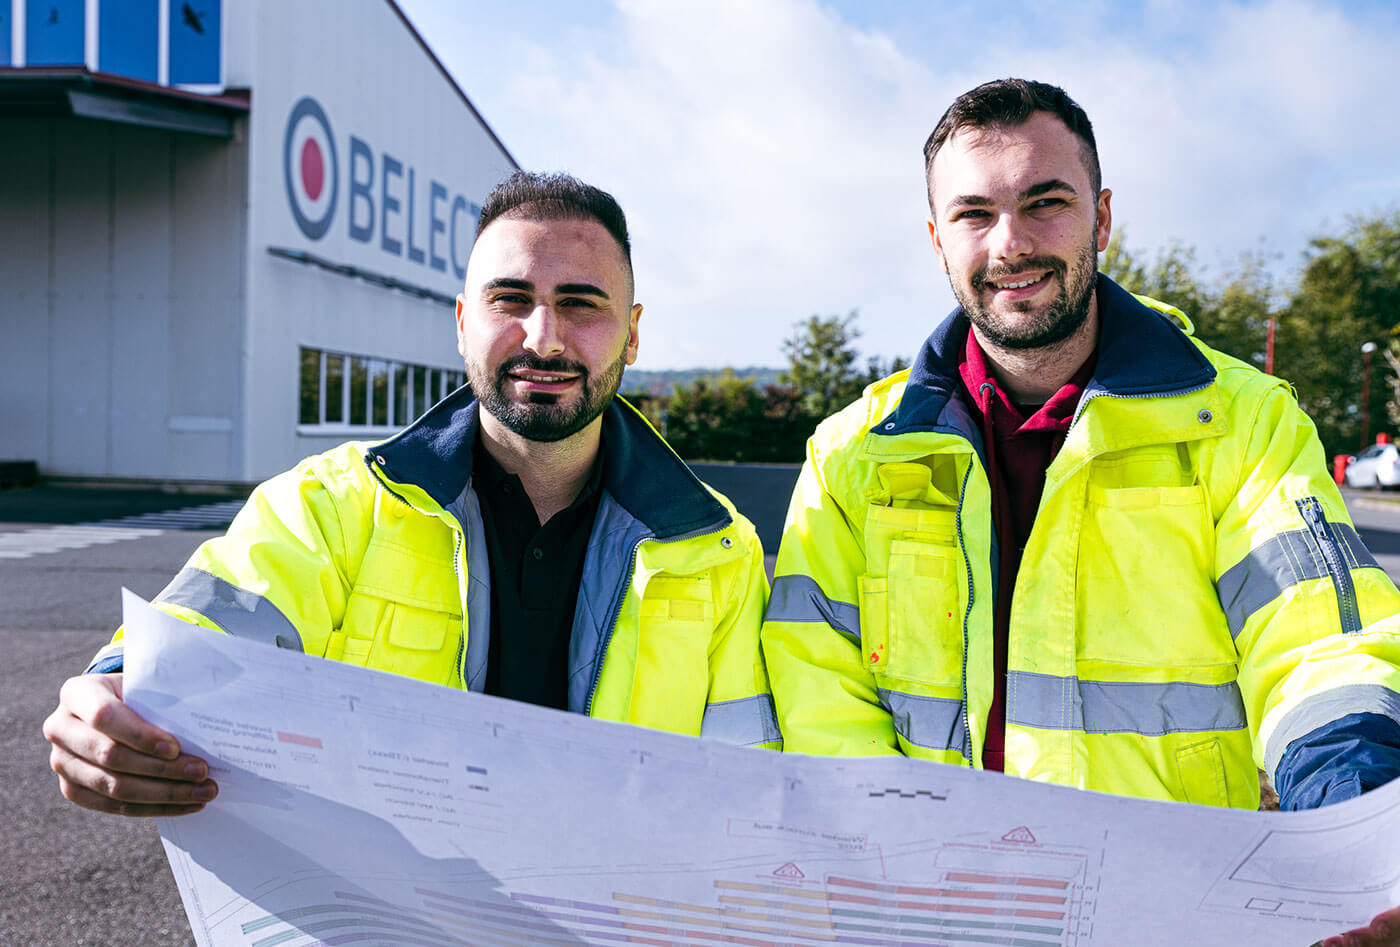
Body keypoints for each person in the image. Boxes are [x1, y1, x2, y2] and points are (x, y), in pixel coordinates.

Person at [760, 79, 1400, 946]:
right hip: (927, 914)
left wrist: (1357, 839)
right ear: (936, 240)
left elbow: (1318, 643)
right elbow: (815, 679)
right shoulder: (851, 457)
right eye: (974, 213)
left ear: (1101, 219)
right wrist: (902, 863)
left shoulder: (1241, 423)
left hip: (1172, 915)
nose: (1011, 243)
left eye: (1045, 203)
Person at [45, 171, 780, 820]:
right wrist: (111, 695)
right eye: (511, 299)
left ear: (633, 333)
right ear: (464, 322)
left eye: (581, 304)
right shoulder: (330, 508)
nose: (544, 337)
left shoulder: (718, 553)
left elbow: (746, 798)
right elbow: (195, 641)